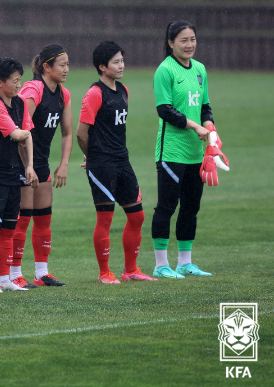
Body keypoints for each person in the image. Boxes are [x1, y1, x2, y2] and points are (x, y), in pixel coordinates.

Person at [151, 21, 227, 278]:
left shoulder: (200, 69)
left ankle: (185, 262)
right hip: (171, 152)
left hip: (197, 152)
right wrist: (196, 126)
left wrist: (210, 128)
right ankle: (161, 265)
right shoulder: (165, 70)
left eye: (192, 39)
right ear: (170, 43)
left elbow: (205, 105)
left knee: (191, 206)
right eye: (183, 40)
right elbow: (165, 110)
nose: (189, 44)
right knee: (167, 206)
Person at [76, 41, 157, 284]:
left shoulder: (124, 91)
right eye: (116, 62)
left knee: (137, 216)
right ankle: (104, 273)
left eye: (122, 60)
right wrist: (92, 156)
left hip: (123, 161)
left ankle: (131, 270)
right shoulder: (94, 93)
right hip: (102, 164)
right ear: (102, 66)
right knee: (106, 218)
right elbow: (82, 133)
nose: (121, 65)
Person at [12, 44, 72, 288]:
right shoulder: (33, 89)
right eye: (62, 65)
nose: (67, 69)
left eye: (68, 64)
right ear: (46, 67)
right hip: (20, 161)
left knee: (43, 218)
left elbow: (67, 134)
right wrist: (28, 166)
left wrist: (64, 164)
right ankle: (14, 273)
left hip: (42, 162)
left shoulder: (63, 94)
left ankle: (42, 273)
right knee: (22, 219)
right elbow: (20, 130)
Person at [0, 57, 36, 293]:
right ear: (0, 82)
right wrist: (25, 136)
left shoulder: (20, 104)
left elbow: (27, 134)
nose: (18, 85)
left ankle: (4, 279)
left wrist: (29, 166)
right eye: (14, 80)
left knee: (9, 231)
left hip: (13, 176)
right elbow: (20, 134)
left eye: (20, 80)